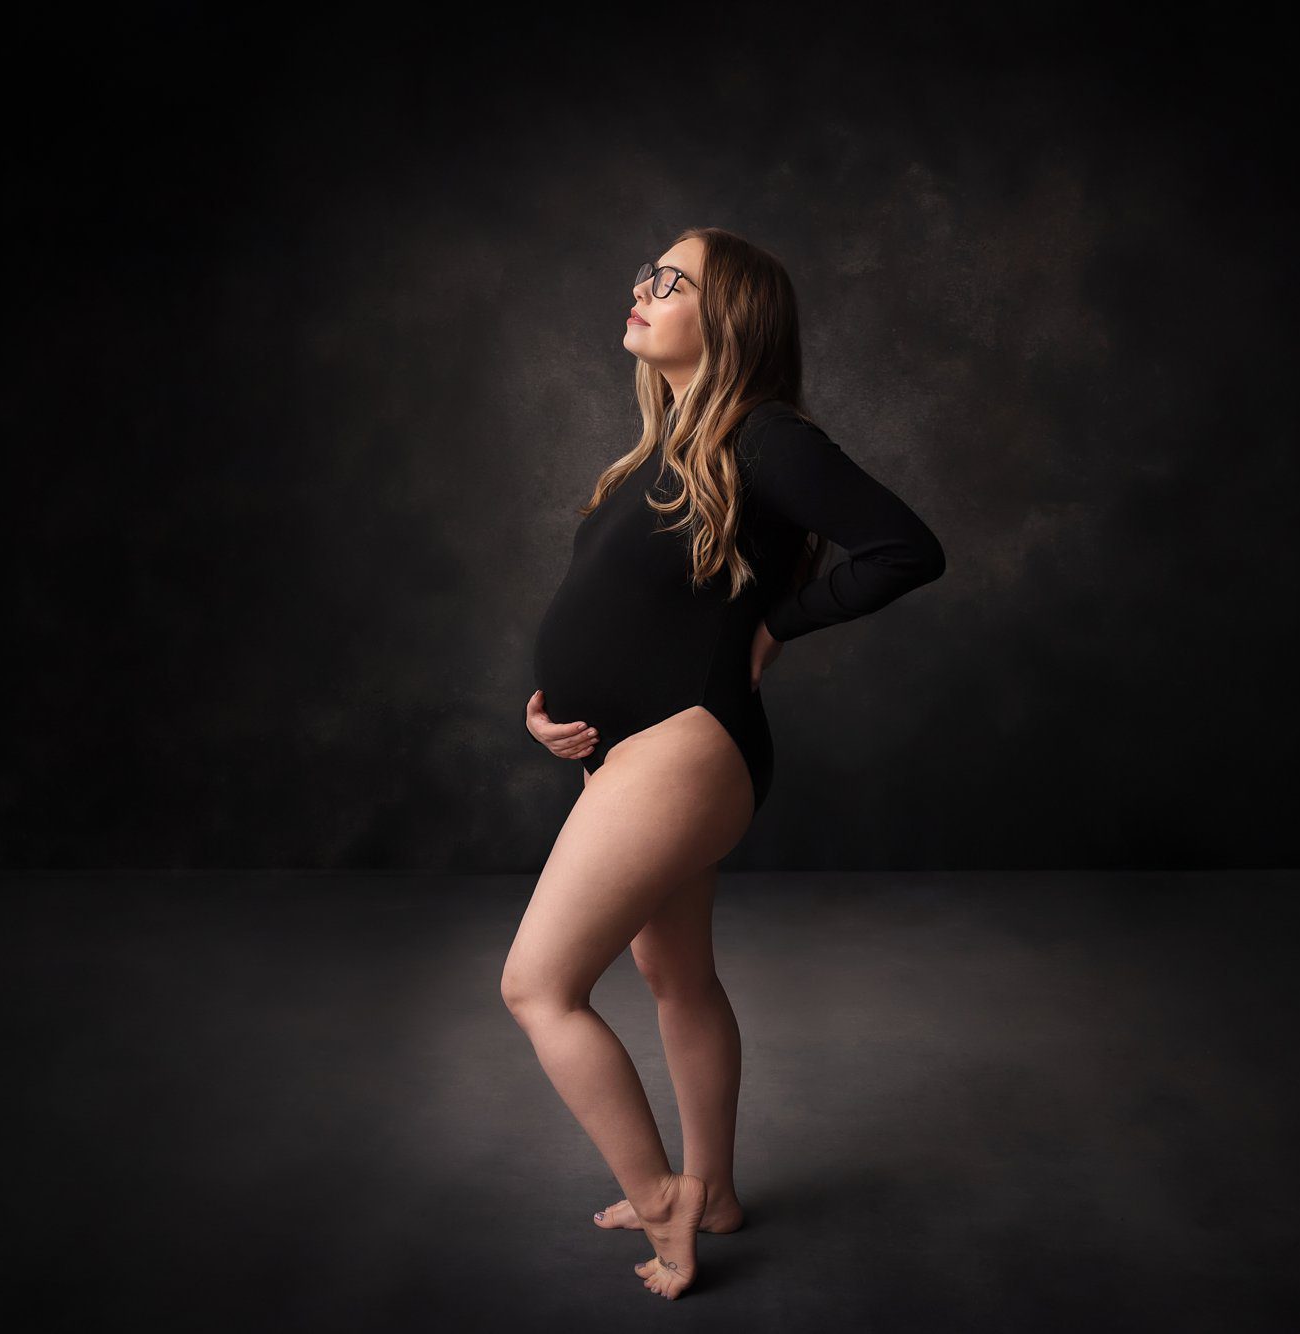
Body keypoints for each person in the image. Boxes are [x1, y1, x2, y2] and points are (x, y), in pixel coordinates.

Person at [499, 227, 946, 1301]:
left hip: (684, 747)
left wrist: (781, 621)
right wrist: (546, 708)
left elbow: (904, 549)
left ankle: (662, 1198)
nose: (642, 287)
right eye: (643, 271)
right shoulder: (654, 454)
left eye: (672, 280)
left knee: (536, 986)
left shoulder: (765, 437)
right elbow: (632, 612)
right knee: (674, 973)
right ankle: (719, 1186)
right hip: (632, 751)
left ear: (728, 317)